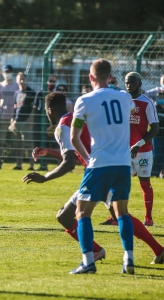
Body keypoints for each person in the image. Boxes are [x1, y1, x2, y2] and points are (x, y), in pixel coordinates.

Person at [22, 91, 164, 267]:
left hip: (99, 173)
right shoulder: (77, 118)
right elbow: (75, 157)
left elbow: (69, 164)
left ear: (49, 109)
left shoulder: (63, 126)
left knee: (73, 216)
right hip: (108, 167)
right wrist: (49, 152)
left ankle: (96, 255)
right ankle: (157, 250)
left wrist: (44, 177)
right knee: (88, 215)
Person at [71, 59, 135, 274]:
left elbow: (74, 137)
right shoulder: (125, 97)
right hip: (123, 163)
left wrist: (88, 158)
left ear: (90, 78)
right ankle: (129, 258)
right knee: (122, 212)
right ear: (110, 77)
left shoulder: (84, 100)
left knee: (82, 212)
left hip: (99, 163)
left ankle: (88, 261)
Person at [101, 72, 159, 227]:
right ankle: (116, 217)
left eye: (132, 83)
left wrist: (138, 144)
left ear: (140, 83)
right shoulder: (121, 101)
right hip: (124, 151)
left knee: (144, 183)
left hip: (143, 151)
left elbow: (155, 130)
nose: (129, 85)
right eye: (127, 82)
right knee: (113, 183)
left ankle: (148, 218)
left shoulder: (147, 103)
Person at [9, 72, 36, 170]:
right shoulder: (16, 93)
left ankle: (31, 165)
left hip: (26, 122)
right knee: (18, 145)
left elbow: (34, 107)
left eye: (23, 79)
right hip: (17, 121)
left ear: (26, 80)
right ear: (16, 81)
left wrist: (30, 118)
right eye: (19, 79)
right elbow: (15, 106)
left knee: (29, 145)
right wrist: (12, 118)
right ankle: (19, 165)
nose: (21, 81)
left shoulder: (31, 92)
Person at [0, 65, 19, 163]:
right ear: (2, 73)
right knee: (1, 141)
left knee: (17, 142)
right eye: (5, 72)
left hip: (14, 117)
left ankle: (18, 163)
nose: (7, 74)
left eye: (9, 72)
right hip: (3, 117)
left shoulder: (17, 85)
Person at [152, 91, 164, 177]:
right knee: (156, 156)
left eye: (161, 97)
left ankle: (158, 173)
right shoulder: (154, 108)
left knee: (162, 158)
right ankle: (153, 174)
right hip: (157, 136)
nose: (159, 99)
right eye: (158, 97)